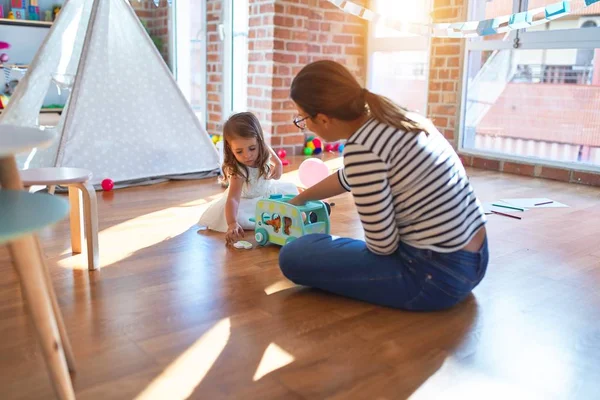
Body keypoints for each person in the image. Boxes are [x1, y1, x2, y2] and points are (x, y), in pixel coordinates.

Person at [279, 60, 488, 311]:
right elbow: (350, 176)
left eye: (302, 119)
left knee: (294, 255)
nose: (305, 126)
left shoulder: (362, 148)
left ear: (323, 119)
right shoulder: (399, 118)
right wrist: (301, 199)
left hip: (434, 277)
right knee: (323, 245)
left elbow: (382, 246)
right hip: (475, 260)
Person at [198, 112, 298, 244]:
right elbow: (233, 199)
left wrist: (278, 164)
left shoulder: (263, 149)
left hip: (268, 193)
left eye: (252, 148)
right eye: (239, 151)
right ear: (230, 148)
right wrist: (232, 223)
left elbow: (273, 156)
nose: (247, 155)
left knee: (291, 193)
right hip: (245, 201)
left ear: (259, 142)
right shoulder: (238, 171)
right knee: (244, 217)